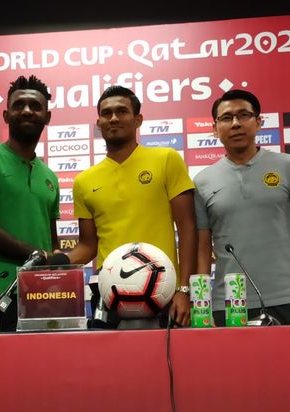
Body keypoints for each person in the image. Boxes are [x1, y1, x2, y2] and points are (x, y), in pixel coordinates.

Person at [59, 85, 197, 328]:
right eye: (106, 113)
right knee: (111, 366)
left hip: (162, 291)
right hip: (109, 295)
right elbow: (88, 246)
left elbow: (187, 228)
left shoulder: (167, 159)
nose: (113, 118)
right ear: (98, 122)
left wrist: (184, 289)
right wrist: (56, 263)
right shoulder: (83, 181)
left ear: (138, 119)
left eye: (122, 111)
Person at [193, 89, 290, 325]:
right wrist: (202, 308)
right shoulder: (203, 181)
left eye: (244, 115)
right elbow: (202, 248)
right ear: (214, 128)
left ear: (258, 122)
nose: (235, 124)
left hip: (288, 298)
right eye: (226, 118)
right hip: (228, 303)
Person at [0, 75, 60, 331]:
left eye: (35, 106)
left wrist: (53, 270)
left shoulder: (50, 177)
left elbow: (52, 242)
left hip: (42, 295)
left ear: (47, 118)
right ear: (6, 115)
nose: (27, 110)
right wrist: (35, 256)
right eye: (19, 105)